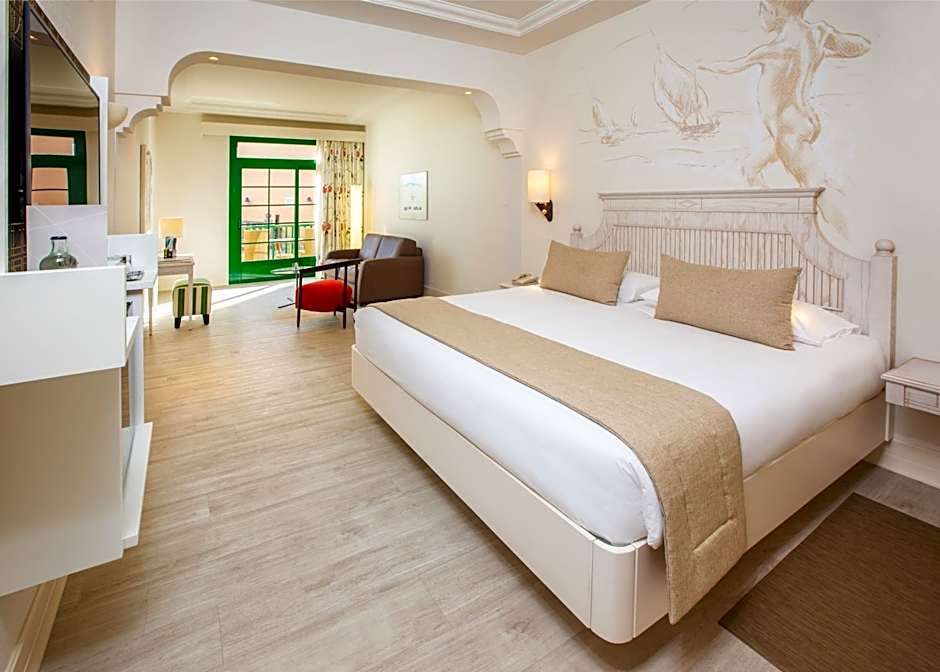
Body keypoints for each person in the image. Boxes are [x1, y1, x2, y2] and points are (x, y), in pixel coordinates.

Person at [701, 0, 870, 233]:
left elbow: (730, 67)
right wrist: (824, 53)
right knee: (751, 167)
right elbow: (860, 46)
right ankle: (777, 225)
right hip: (802, 121)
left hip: (787, 128)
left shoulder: (773, 50)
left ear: (774, 10)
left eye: (762, 8)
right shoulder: (818, 34)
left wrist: (704, 66)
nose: (761, 14)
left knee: (815, 187)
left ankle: (850, 236)